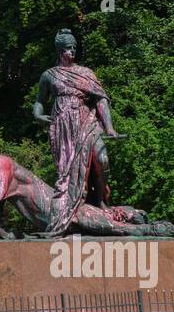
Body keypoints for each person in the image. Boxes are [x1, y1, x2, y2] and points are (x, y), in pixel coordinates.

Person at [32, 30, 125, 236]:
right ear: (59, 50)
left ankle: (99, 198)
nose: (72, 51)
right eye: (68, 48)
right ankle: (72, 206)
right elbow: (39, 101)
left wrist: (109, 127)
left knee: (102, 160)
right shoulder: (49, 75)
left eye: (74, 47)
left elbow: (101, 100)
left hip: (86, 121)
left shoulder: (86, 73)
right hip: (63, 126)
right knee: (67, 171)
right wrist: (38, 115)